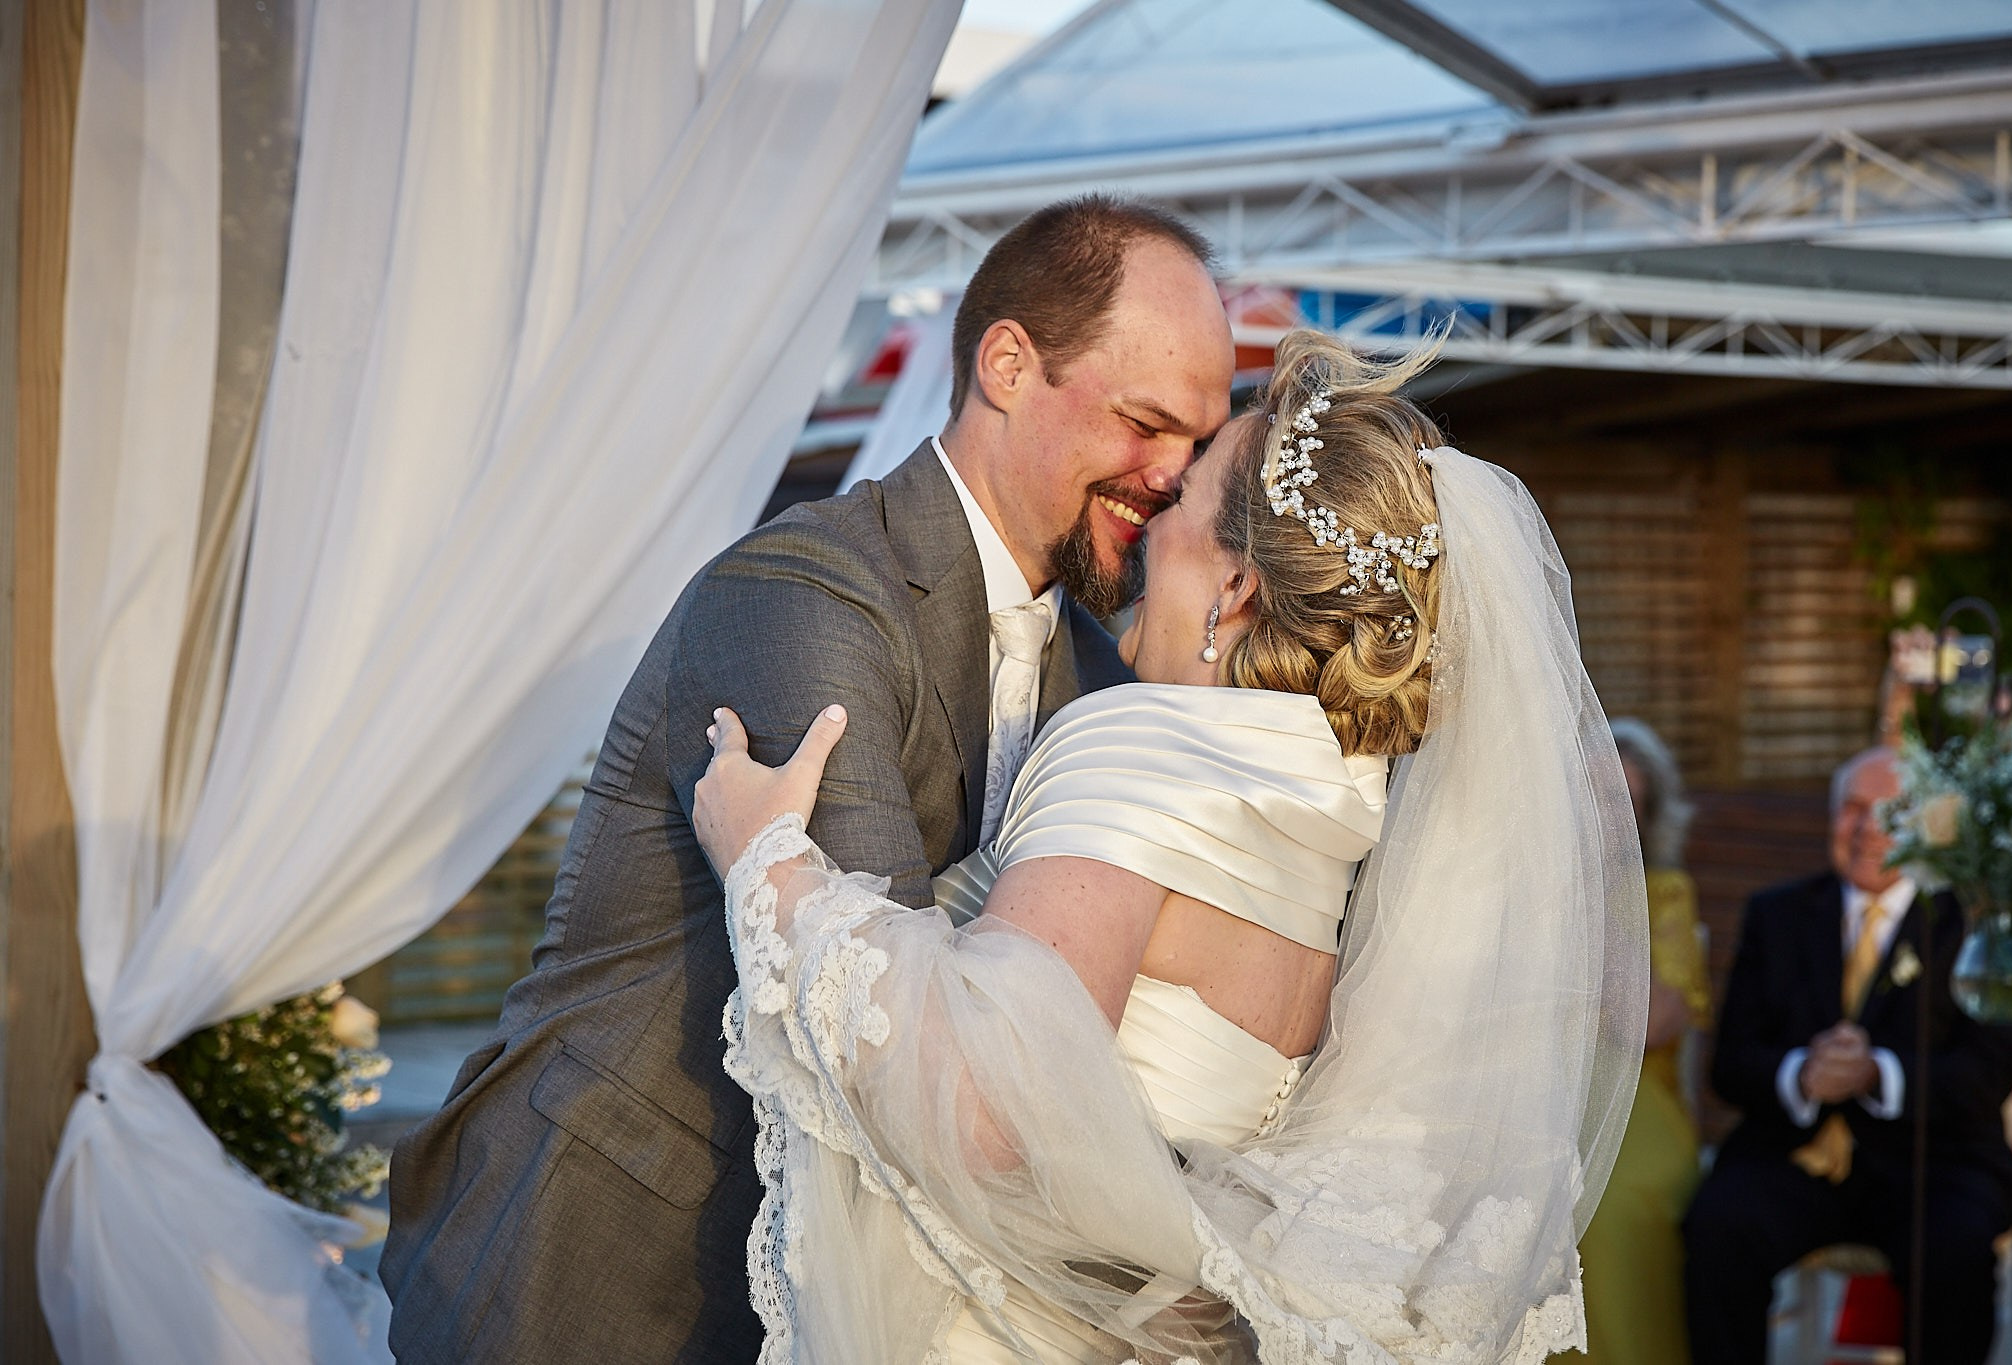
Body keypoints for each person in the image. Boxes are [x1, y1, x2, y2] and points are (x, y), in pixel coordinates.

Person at [378, 195, 1237, 1363]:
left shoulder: (1094, 668)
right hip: (613, 1258)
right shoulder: (803, 590)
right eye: (1146, 422)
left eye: (1197, 442)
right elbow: (888, 1014)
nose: (1174, 476)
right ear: (1005, 364)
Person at [692, 329, 1650, 1363]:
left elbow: (988, 1112)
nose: (1146, 516)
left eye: (1179, 504)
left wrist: (770, 868)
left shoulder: (1137, 745)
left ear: (1233, 590)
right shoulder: (1345, 825)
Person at [1682, 746, 2012, 1365]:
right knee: (1716, 1227)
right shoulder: (1776, 913)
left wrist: (1876, 1073)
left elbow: (1990, 1073)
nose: (1868, 830)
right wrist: (1803, 1075)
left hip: (1935, 1166)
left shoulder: (1970, 925)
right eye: (1853, 810)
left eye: (1892, 813)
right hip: (1796, 1159)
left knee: (1955, 1251)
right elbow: (1731, 1064)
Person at [1556, 719, 1709, 1365]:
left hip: (1639, 1107)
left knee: (1609, 1207)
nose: (1604, 817)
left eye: (1622, 803)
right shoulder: (1531, 892)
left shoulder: (1663, 896)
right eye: (1591, 797)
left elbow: (1644, 1027)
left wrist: (1602, 881)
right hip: (1546, 1103)